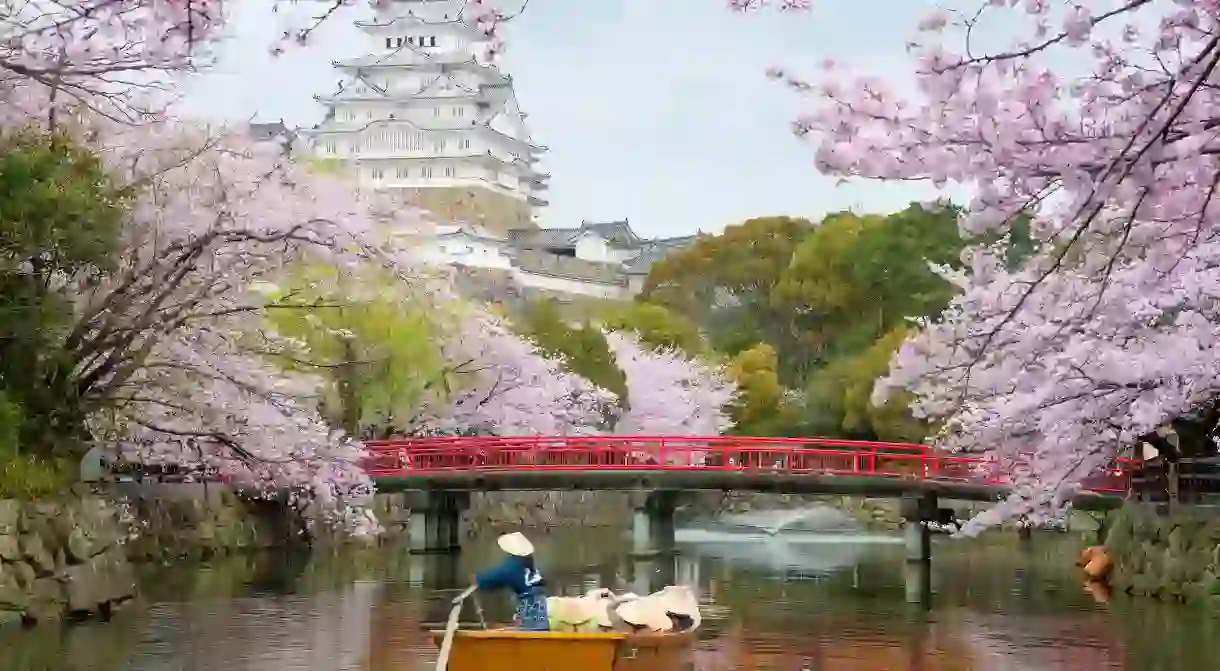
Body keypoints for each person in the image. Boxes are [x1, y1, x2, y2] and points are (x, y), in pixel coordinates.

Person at [473, 532, 549, 631]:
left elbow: (498, 576)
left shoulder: (514, 565)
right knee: (538, 626)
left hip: (529, 602)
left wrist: (478, 579)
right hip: (540, 600)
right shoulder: (527, 561)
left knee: (530, 628)